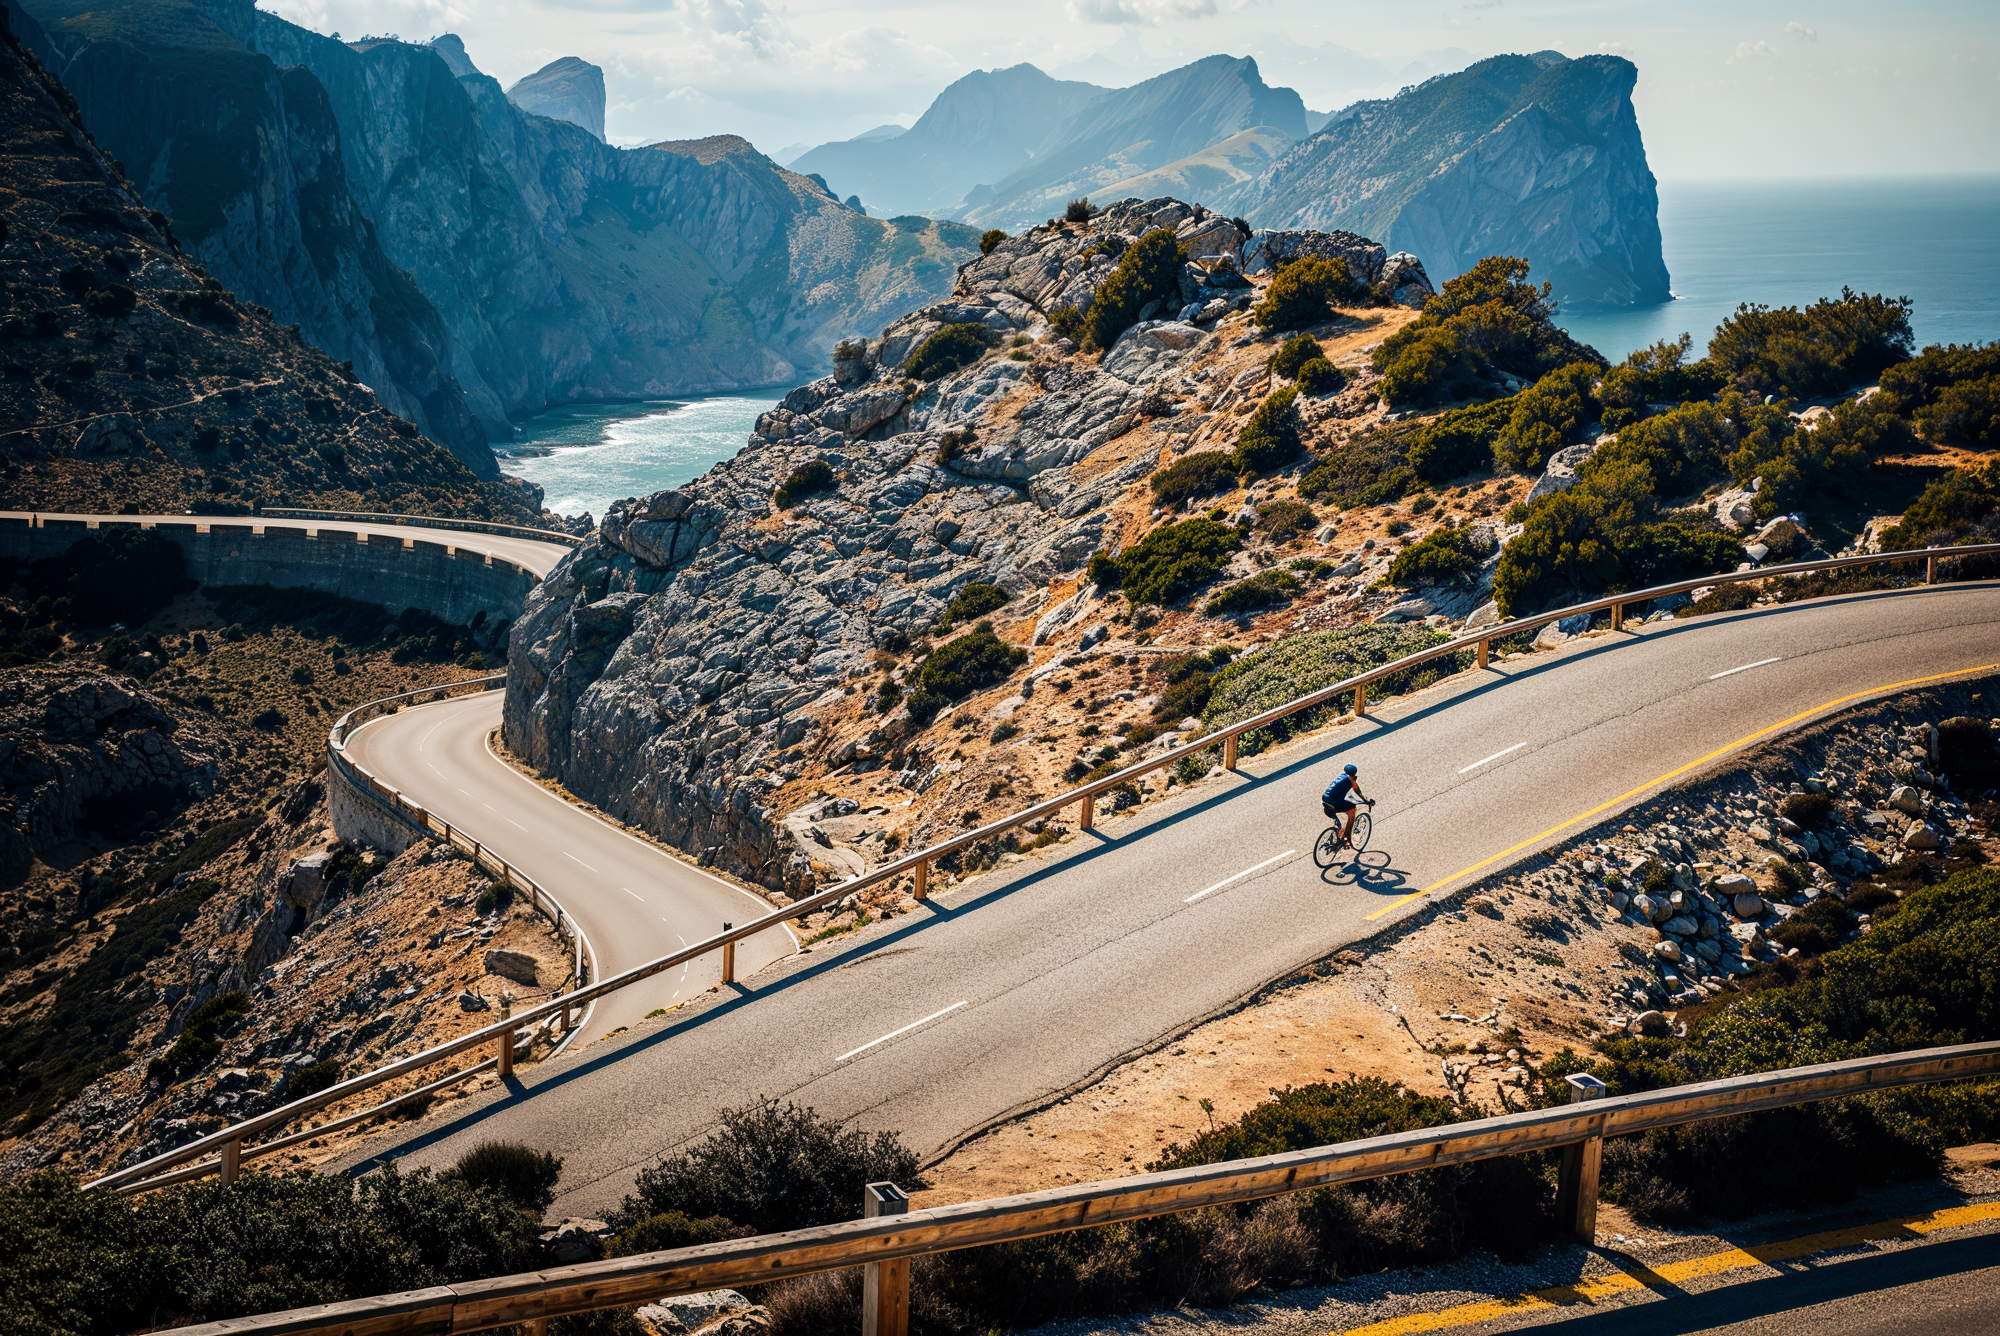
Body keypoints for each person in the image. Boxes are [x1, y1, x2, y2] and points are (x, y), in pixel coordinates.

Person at [1321, 762, 1370, 847]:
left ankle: (1337, 833)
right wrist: (1366, 801)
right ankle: (1348, 837)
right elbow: (1357, 791)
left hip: (1325, 798)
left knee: (1339, 814)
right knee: (1352, 810)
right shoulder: (1351, 779)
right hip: (1334, 801)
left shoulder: (1341, 776)